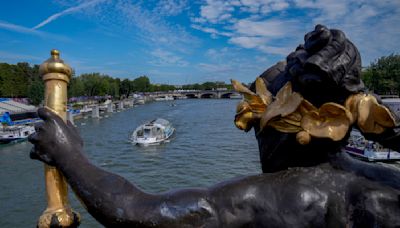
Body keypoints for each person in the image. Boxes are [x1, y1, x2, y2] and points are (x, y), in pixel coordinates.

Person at [29, 25, 400, 227]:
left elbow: (135, 212)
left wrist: (68, 153)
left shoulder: (281, 196)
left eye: (255, 123)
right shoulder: (385, 183)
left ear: (286, 120)